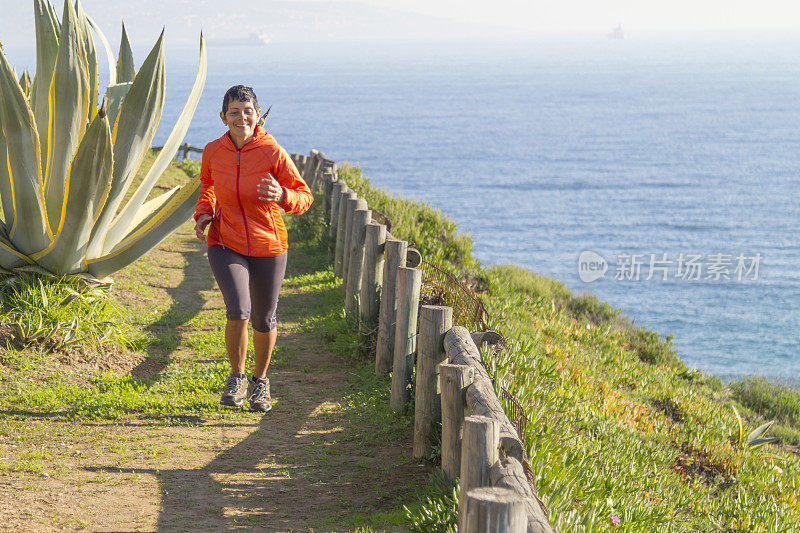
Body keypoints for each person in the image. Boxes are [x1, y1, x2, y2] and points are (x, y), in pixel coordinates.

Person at [194, 85, 313, 412]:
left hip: (268, 245)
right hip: (225, 240)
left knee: (263, 317)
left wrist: (282, 197)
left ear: (257, 115)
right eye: (234, 112)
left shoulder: (272, 151)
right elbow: (209, 185)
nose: (241, 117)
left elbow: (304, 197)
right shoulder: (213, 151)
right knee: (238, 309)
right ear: (223, 117)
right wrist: (204, 212)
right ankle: (237, 377)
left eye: (247, 111)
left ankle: (261, 382)